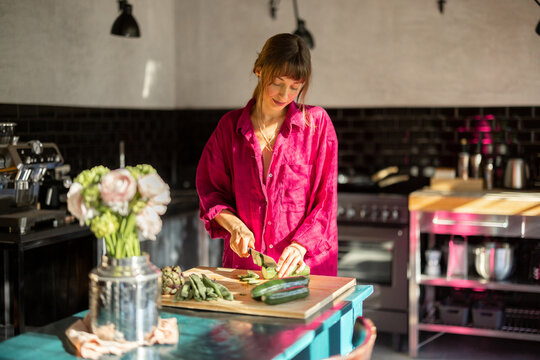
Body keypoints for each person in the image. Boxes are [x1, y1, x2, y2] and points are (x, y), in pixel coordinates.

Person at [196, 33, 338, 277]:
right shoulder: (229, 128)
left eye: (295, 87)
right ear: (259, 69)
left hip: (305, 272)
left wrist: (300, 245)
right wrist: (235, 226)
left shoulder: (317, 126)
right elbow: (211, 192)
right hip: (246, 271)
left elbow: (325, 204)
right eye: (278, 82)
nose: (284, 95)